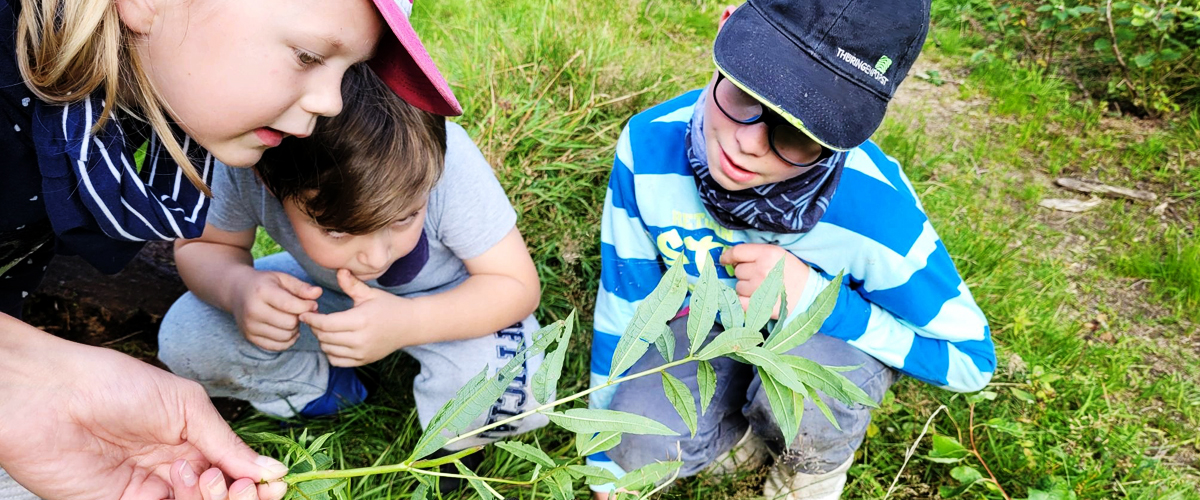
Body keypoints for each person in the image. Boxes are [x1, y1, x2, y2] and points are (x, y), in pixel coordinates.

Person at [0, 0, 462, 497]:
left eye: (351, 71)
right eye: (307, 56)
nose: (332, 103)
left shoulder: (153, 95)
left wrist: (39, 384)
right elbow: (209, 248)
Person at [586, 1, 997, 499]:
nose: (749, 144)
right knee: (636, 442)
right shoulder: (647, 146)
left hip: (819, 345)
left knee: (810, 392)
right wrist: (600, 448)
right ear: (725, 28)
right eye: (746, 94)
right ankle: (736, 438)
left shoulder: (877, 218)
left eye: (800, 131)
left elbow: (969, 361)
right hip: (705, 330)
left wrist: (818, 302)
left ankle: (809, 466)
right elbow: (625, 299)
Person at [157, 64, 547, 457]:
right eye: (339, 231)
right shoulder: (250, 164)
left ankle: (455, 449)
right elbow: (202, 248)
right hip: (320, 297)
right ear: (269, 184)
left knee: (516, 382)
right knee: (186, 336)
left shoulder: (441, 159)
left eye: (405, 217)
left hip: (454, 301)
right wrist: (237, 289)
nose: (376, 256)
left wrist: (407, 323)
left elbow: (516, 285)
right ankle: (327, 386)